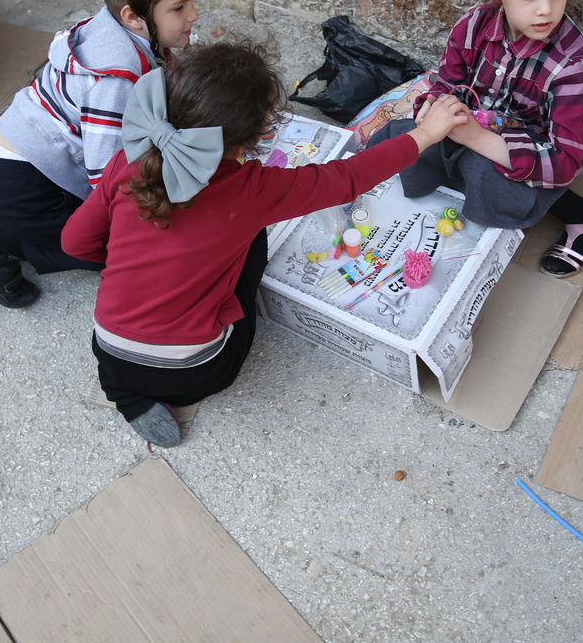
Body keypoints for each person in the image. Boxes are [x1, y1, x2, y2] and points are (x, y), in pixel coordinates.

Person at [61, 41, 470, 447]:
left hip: (111, 352)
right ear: (245, 141)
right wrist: (427, 133)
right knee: (252, 237)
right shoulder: (252, 190)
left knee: (129, 356)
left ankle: (126, 396)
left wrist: (138, 264)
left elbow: (75, 243)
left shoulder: (125, 162)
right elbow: (348, 178)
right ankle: (152, 388)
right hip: (198, 372)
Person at [0, 0, 198, 326]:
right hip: (14, 182)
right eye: (179, 7)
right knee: (121, 246)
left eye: (190, 1)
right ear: (133, 16)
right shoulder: (115, 79)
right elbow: (107, 178)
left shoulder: (109, 30)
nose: (194, 15)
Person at [368, 0, 583, 278]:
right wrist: (433, 108)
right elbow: (445, 84)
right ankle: (457, 188)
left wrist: (476, 138)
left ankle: (581, 213)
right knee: (399, 140)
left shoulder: (572, 65)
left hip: (526, 151)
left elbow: (563, 162)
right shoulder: (473, 26)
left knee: (482, 173)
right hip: (471, 125)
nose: (547, 9)